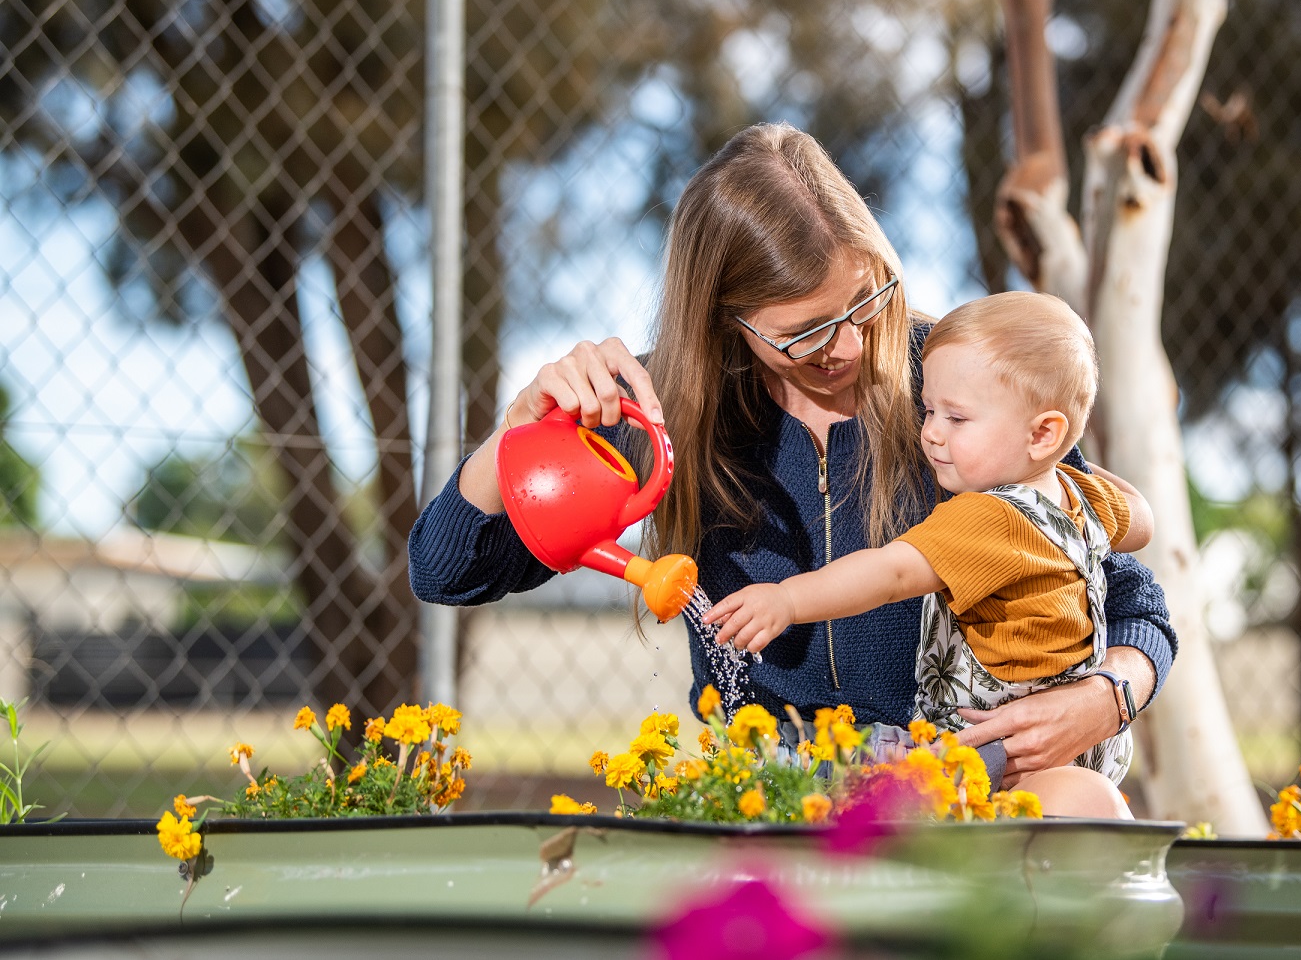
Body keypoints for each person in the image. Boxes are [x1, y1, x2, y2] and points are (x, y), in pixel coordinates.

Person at [407, 122, 1177, 794]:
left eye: (866, 300)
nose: (845, 344)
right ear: (724, 317)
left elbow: (1119, 588)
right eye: (804, 331)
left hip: (947, 784)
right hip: (769, 788)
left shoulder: (957, 386)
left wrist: (1110, 692)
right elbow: (448, 570)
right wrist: (515, 441)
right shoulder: (658, 413)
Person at [704, 293, 1146, 818]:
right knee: (1085, 814)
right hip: (1072, 746)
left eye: (957, 419)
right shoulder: (1077, 495)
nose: (930, 432)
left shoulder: (986, 518)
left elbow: (889, 572)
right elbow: (1141, 521)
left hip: (997, 750)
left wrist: (787, 600)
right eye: (930, 410)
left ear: (1044, 433)